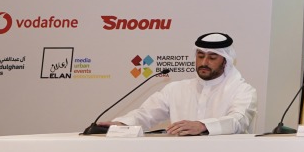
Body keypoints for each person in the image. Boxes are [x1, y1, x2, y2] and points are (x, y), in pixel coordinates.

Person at [107, 32, 258, 135]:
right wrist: (120, 124)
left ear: (226, 61)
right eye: (200, 56)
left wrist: (203, 126)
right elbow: (145, 114)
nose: (204, 62)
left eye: (212, 58)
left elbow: (238, 121)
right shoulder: (176, 89)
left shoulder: (242, 91)